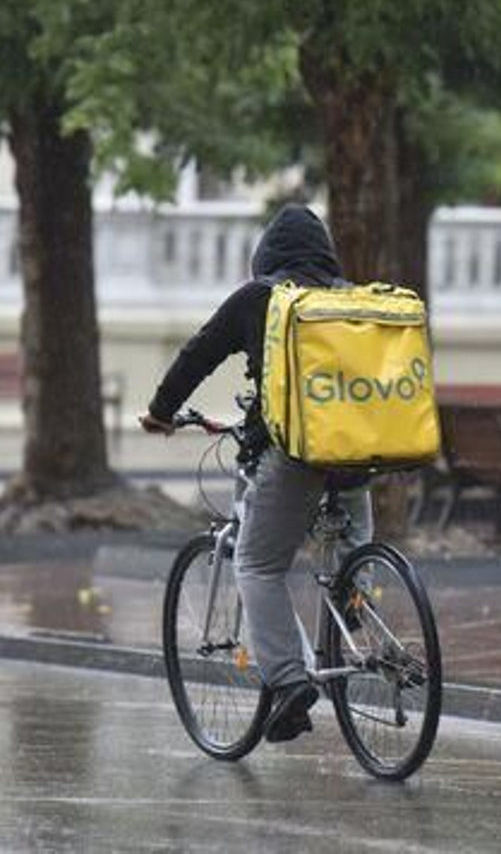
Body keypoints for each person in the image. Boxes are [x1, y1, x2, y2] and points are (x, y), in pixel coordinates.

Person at [140, 204, 372, 744]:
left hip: (296, 457)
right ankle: (354, 606)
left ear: (265, 256)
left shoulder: (260, 298)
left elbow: (197, 355)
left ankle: (290, 685)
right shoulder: (351, 298)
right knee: (344, 553)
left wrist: (159, 412)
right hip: (360, 456)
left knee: (257, 564)